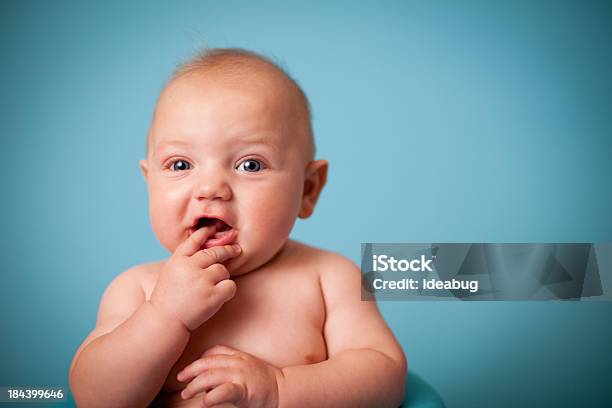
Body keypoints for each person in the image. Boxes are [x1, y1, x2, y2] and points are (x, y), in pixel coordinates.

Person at [69, 48, 406, 407]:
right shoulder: (137, 290)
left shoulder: (329, 279)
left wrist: (279, 388)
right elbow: (95, 397)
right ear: (149, 181)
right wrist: (164, 316)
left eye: (250, 165)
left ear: (308, 189)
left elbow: (385, 376)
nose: (210, 188)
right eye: (181, 164)